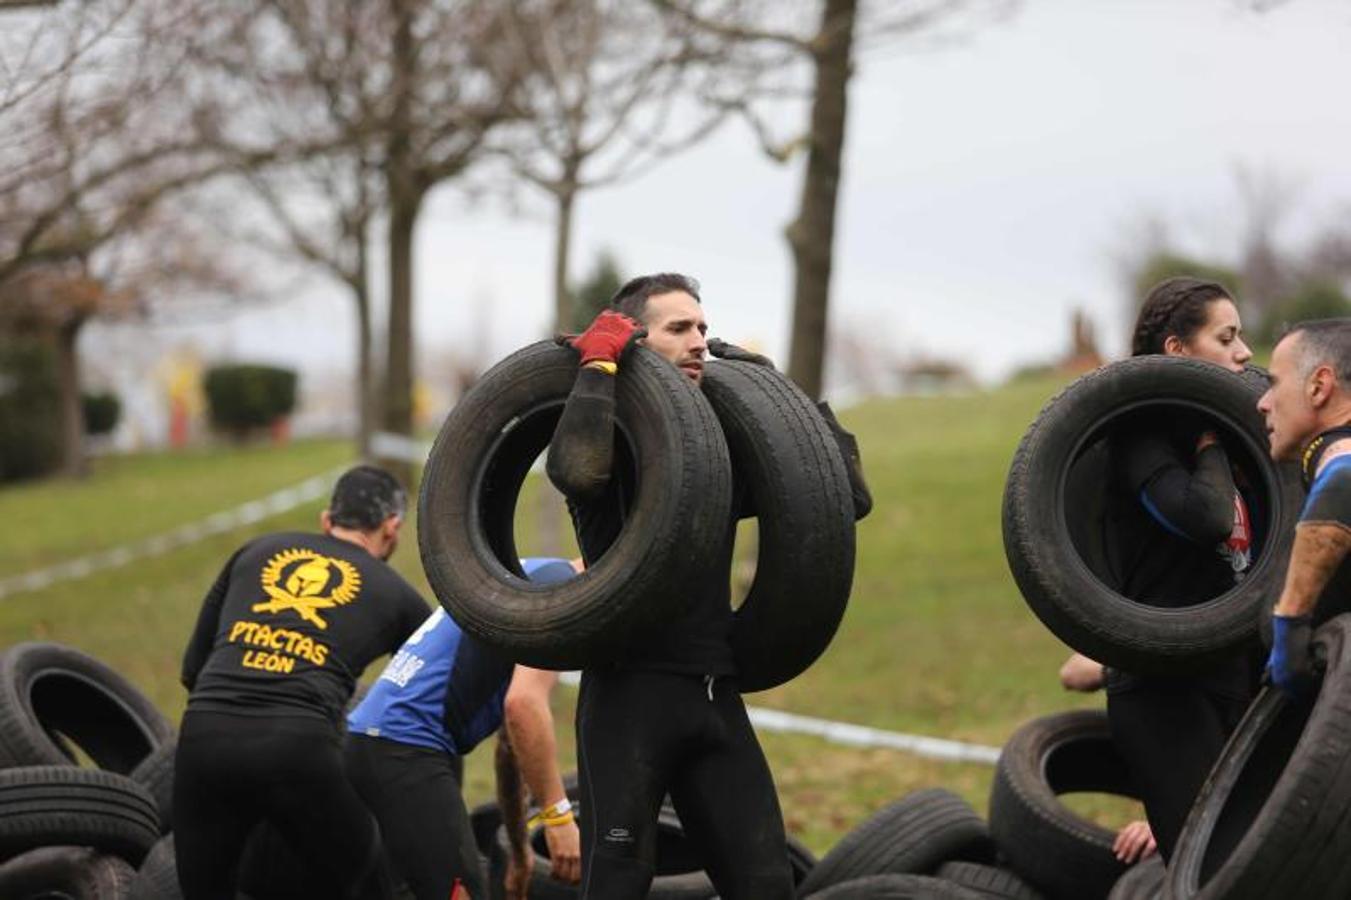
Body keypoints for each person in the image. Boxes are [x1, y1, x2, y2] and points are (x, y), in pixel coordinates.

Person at [546, 274, 803, 899]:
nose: (699, 343)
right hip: (628, 697)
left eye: (703, 329)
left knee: (768, 885)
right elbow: (574, 469)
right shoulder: (613, 452)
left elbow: (846, 499)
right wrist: (599, 368)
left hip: (714, 696)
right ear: (637, 339)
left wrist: (788, 402)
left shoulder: (717, 460)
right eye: (679, 328)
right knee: (617, 885)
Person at [1057, 276, 1260, 862]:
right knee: (1216, 866)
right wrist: (1206, 435)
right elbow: (1208, 516)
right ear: (1177, 351)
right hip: (1163, 690)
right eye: (1226, 338)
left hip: (1236, 677)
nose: (1244, 353)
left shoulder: (1246, 441)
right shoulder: (1139, 436)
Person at [174, 465, 428, 900]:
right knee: (370, 883)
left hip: (203, 739)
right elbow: (427, 702)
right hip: (298, 748)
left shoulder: (255, 552)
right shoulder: (397, 593)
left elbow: (193, 671)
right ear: (392, 528)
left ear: (328, 520)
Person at [344, 556, 583, 900]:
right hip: (405, 750)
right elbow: (523, 707)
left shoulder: (533, 572)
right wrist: (559, 819)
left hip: (374, 742)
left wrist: (519, 853)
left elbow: (512, 744)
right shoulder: (563, 593)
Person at [1258, 318, 1351, 694]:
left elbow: (1346, 479)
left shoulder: (1336, 448)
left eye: (1274, 384)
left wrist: (1290, 626)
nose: (1262, 403)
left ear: (1319, 386)